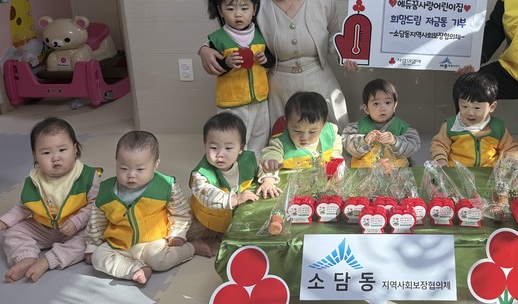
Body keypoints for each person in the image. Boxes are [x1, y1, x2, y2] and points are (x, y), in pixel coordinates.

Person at [199, 0, 355, 130]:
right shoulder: (256, 2)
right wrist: (204, 48)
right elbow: (234, 31)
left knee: (331, 144)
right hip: (277, 91)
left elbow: (334, 37)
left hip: (321, 84)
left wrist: (347, 55)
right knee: (280, 146)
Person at [85, 131, 210, 285]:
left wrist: (177, 233)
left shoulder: (166, 186)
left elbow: (181, 212)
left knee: (159, 261)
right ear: (116, 162)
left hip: (153, 241)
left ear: (155, 165)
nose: (131, 175)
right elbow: (96, 222)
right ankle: (136, 269)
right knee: (98, 258)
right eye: (123, 168)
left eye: (140, 169)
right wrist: (92, 245)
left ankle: (192, 248)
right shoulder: (105, 191)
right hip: (119, 243)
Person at [0, 118, 101, 283]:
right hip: (43, 227)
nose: (55, 157)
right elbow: (24, 207)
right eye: (46, 153)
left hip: (76, 229)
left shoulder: (87, 176)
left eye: (62, 150)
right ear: (36, 156)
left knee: (90, 239)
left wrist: (76, 222)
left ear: (75, 149)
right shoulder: (35, 181)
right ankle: (26, 258)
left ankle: (48, 261)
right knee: (12, 233)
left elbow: (95, 206)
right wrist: (4, 222)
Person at [188, 113, 281, 246]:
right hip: (207, 218)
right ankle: (196, 245)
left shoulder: (250, 159)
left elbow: (264, 167)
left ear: (241, 147)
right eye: (213, 148)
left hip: (235, 215)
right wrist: (235, 199)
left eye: (228, 148)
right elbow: (206, 194)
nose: (220, 154)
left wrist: (268, 180)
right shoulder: (201, 174)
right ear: (205, 144)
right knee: (187, 233)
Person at [204, 0, 274, 156]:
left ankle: (255, 164)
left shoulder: (261, 34)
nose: (238, 14)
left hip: (260, 99)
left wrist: (265, 59)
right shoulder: (217, 39)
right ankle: (235, 165)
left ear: (254, 10)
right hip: (232, 102)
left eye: (244, 8)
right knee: (234, 138)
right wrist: (226, 63)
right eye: (230, 9)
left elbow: (271, 59)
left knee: (260, 135)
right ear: (220, 11)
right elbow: (214, 67)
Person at [431, 73, 518, 168]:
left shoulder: (498, 128)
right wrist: (440, 160)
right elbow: (439, 145)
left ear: (492, 107)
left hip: (487, 173)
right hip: (457, 172)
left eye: (477, 108)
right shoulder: (450, 126)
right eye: (464, 106)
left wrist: (513, 159)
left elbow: (511, 148)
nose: (470, 113)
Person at [259, 91, 344, 182]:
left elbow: (336, 142)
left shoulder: (329, 133)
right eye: (297, 131)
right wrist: (271, 165)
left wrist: (335, 158)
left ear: (323, 125)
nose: (304, 137)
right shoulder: (281, 144)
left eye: (312, 131)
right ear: (287, 123)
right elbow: (270, 155)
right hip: (290, 184)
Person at [342, 79, 421, 168]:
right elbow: (347, 144)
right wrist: (364, 141)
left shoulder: (403, 128)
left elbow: (413, 145)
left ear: (394, 106)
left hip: (396, 172)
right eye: (376, 103)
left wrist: (394, 141)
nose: (383, 108)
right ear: (366, 109)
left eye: (387, 103)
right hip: (364, 172)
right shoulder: (356, 128)